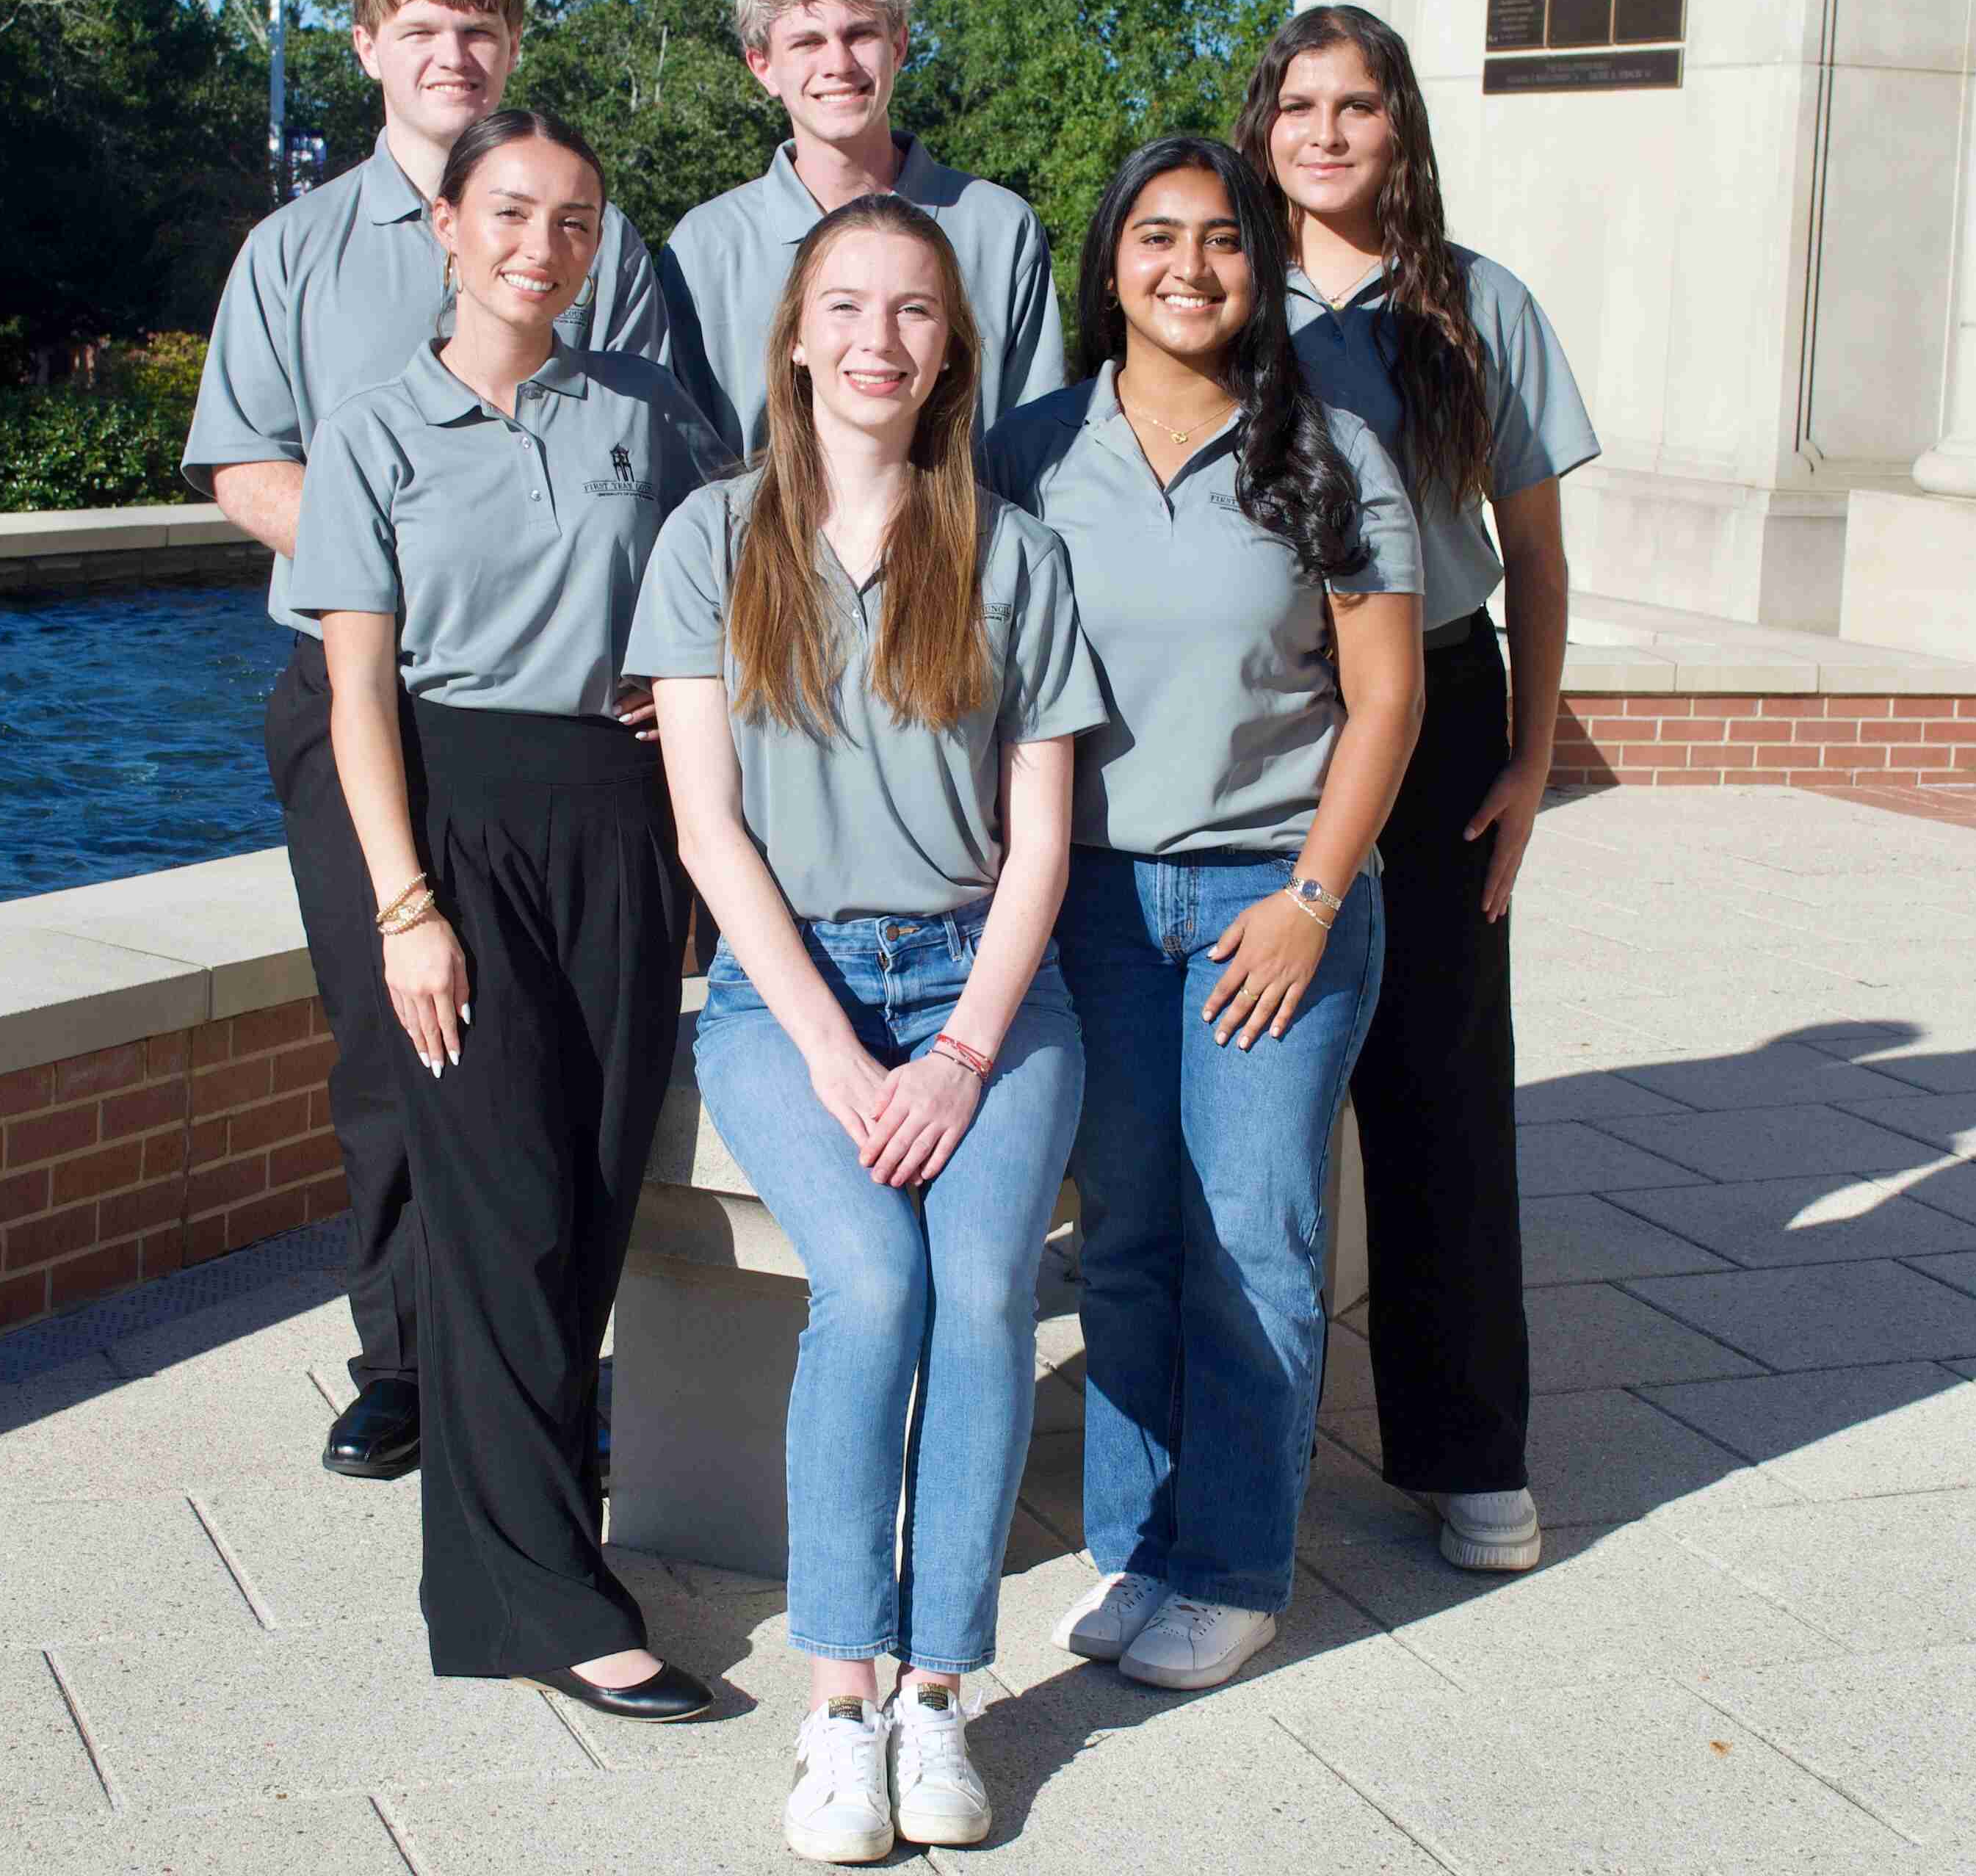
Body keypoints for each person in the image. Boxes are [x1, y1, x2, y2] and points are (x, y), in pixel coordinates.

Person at [632, 197, 1104, 1861]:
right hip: (786, 993)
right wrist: (840, 1055)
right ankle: (839, 1706)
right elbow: (709, 829)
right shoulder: (711, 540)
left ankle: (937, 1692)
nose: (879, 337)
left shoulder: (1011, 554)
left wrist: (962, 1051)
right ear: (797, 335)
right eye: (847, 304)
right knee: (878, 1278)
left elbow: (1040, 837)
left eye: (913, 310)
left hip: (989, 987)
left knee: (979, 1289)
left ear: (949, 350)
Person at [180, 0, 673, 1485]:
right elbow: (243, 463)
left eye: (480, 30)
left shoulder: (596, 236)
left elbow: (687, 465)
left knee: (574, 1056)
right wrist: (385, 548)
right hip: (365, 690)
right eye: (422, 29)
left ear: (511, 50)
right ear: (369, 47)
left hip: (568, 723)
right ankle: (403, 1356)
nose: (453, 54)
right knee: (395, 1041)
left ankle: (555, 1358)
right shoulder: (297, 251)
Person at [282, 107, 717, 1720]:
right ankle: (541, 1601)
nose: (546, 246)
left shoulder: (653, 413)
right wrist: (406, 904)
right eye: (514, 214)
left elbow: (740, 581)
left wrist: (696, 697)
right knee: (503, 1210)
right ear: (450, 229)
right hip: (456, 832)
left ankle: (542, 1541)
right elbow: (355, 697)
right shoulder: (376, 434)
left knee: (595, 1193)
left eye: (579, 222)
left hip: (617, 826)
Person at [983, 137, 1425, 1694]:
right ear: (1107, 264)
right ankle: (1133, 1540)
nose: (1190, 267)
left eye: (1224, 241)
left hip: (1269, 903)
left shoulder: (1335, 450)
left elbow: (1386, 699)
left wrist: (1313, 897)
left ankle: (1231, 1565)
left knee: (1255, 1239)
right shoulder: (1027, 452)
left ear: (1263, 267)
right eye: (1156, 237)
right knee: (1125, 1241)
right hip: (1087, 903)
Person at [1235, 2, 1599, 1575]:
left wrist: (1527, 759)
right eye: (1301, 104)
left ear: (1402, 130)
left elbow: (1532, 553)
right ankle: (1220, 1444)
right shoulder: (1216, 287)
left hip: (1440, 705)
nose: (1326, 132)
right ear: (1263, 126)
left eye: (1359, 105)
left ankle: (1470, 1454)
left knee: (1441, 1087)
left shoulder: (1475, 307)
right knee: (1242, 1076)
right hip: (1260, 714)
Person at [659, 0, 1062, 455]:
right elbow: (685, 456)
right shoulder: (706, 246)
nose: (839, 64)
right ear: (762, 67)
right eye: (807, 43)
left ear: (898, 47)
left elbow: (1035, 440)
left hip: (970, 534)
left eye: (860, 34)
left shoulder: (1000, 228)